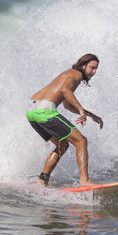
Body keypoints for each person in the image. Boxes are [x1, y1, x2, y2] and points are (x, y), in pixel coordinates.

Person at [26, 54, 104, 186]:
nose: (94, 72)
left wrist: (90, 115)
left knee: (62, 145)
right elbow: (65, 90)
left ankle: (42, 181)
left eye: (96, 69)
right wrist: (81, 111)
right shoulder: (77, 74)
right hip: (45, 110)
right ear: (83, 65)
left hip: (32, 110)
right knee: (81, 141)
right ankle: (85, 180)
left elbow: (67, 105)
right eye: (92, 68)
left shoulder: (68, 75)